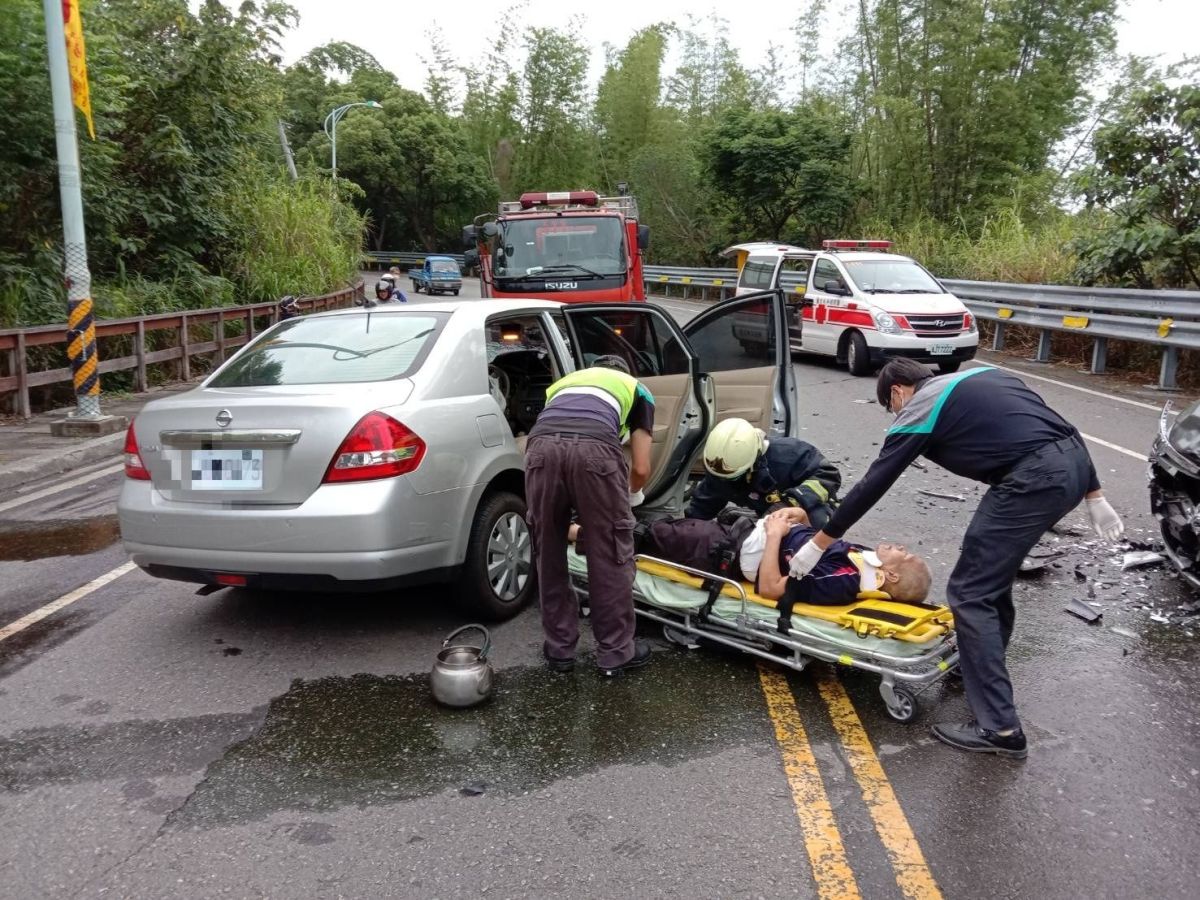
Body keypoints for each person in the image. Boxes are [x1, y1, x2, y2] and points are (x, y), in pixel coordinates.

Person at [788, 359, 1124, 759]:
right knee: (989, 580)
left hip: (1029, 481)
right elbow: (1064, 431)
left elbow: (874, 483)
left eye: (892, 406)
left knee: (970, 592)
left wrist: (820, 542)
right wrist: (1094, 494)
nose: (897, 415)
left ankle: (999, 727)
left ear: (897, 391)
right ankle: (976, 667)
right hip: (1066, 469)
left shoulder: (920, 407)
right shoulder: (989, 374)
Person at [525, 355, 656, 677]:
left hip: (539, 450)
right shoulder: (638, 390)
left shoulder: (562, 386)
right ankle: (614, 654)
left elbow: (557, 436)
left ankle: (559, 651)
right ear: (626, 373)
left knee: (548, 551)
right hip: (595, 451)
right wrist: (629, 497)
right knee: (611, 554)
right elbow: (640, 468)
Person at [744, 508, 931, 604]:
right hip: (770, 531)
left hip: (753, 548)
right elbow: (812, 553)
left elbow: (770, 588)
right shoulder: (863, 560)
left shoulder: (840, 582)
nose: (901, 546)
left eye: (904, 554)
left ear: (892, 575)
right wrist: (802, 518)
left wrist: (774, 534)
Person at [686, 418, 842, 529]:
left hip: (810, 508)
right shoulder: (721, 467)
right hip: (768, 511)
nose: (728, 481)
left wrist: (791, 502)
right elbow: (704, 504)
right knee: (727, 521)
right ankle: (760, 520)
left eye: (735, 476)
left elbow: (829, 475)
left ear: (754, 459)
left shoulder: (789, 454)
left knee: (816, 528)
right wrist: (689, 529)